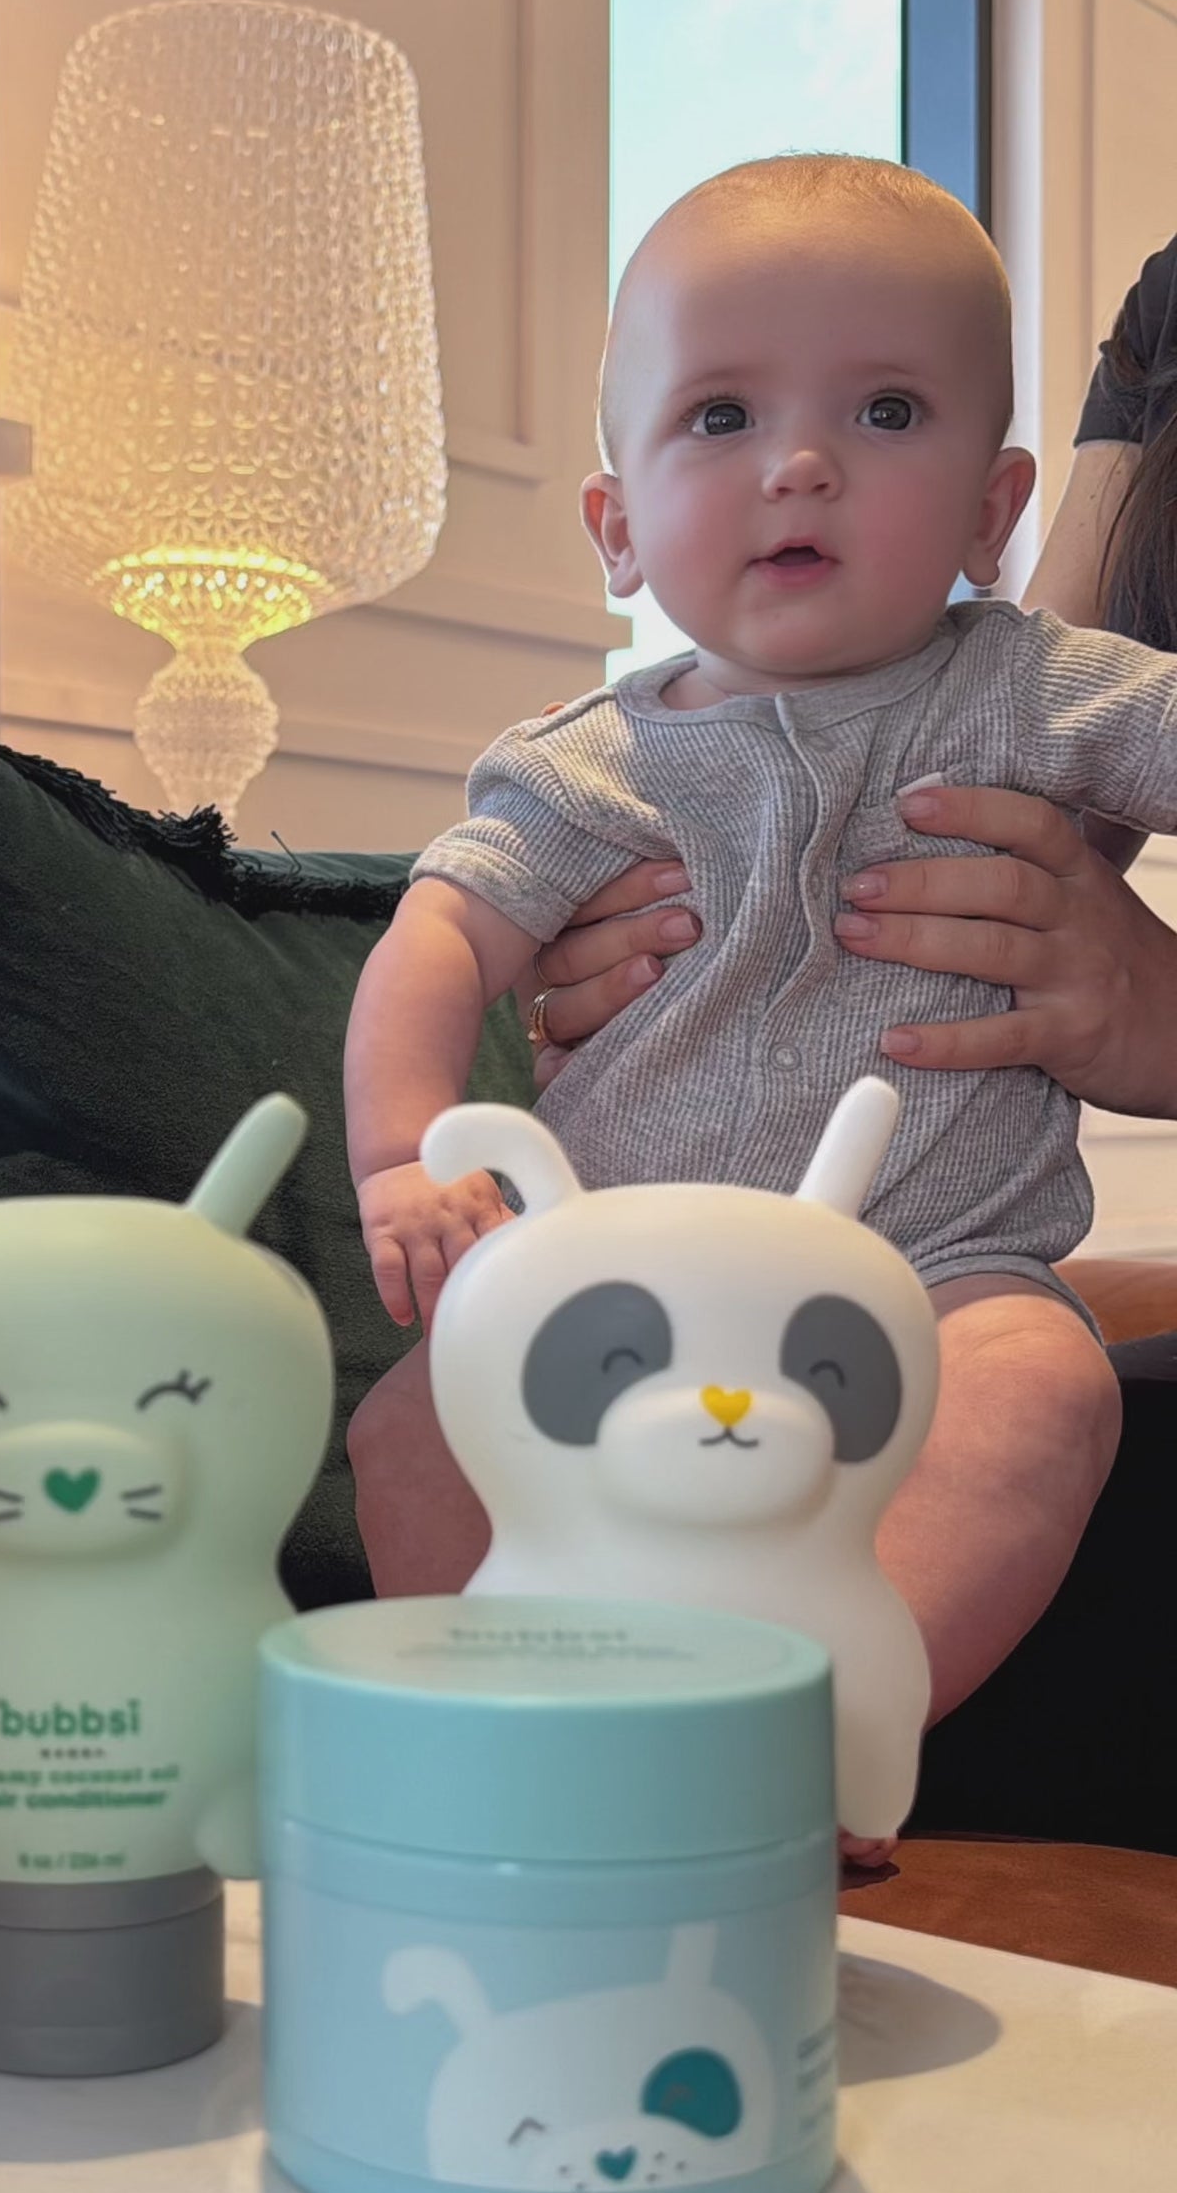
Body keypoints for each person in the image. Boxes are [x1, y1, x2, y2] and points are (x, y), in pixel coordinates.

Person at [344, 156, 1177, 1833]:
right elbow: (436, 941)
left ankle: (810, 1743)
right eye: (721, 417)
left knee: (1047, 1388)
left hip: (936, 1277)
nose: (802, 463)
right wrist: (403, 1153)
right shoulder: (587, 761)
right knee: (412, 1424)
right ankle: (522, 1751)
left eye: (886, 411)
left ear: (992, 510)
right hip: (618, 1282)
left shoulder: (1040, 691)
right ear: (616, 528)